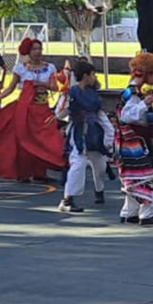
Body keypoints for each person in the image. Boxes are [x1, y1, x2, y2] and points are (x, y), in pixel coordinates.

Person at [0, 38, 65, 182]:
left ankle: (42, 170)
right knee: (24, 139)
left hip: (42, 108)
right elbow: (10, 89)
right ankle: (25, 172)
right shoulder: (20, 68)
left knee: (46, 137)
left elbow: (55, 87)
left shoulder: (50, 67)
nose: (37, 52)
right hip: (25, 109)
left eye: (39, 49)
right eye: (34, 49)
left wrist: (41, 84)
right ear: (28, 51)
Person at [116, 53, 153, 225]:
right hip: (134, 140)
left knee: (134, 176)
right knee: (144, 175)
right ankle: (147, 211)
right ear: (145, 74)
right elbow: (126, 116)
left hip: (137, 139)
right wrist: (144, 104)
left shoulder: (137, 92)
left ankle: (129, 211)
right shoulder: (132, 94)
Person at [60, 60, 114, 213]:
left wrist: (109, 136)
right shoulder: (71, 93)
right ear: (85, 76)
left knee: (100, 165)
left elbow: (100, 116)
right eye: (92, 74)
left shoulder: (93, 95)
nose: (94, 77)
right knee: (78, 163)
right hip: (78, 132)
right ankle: (67, 199)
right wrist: (69, 113)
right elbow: (60, 112)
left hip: (93, 133)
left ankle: (99, 189)